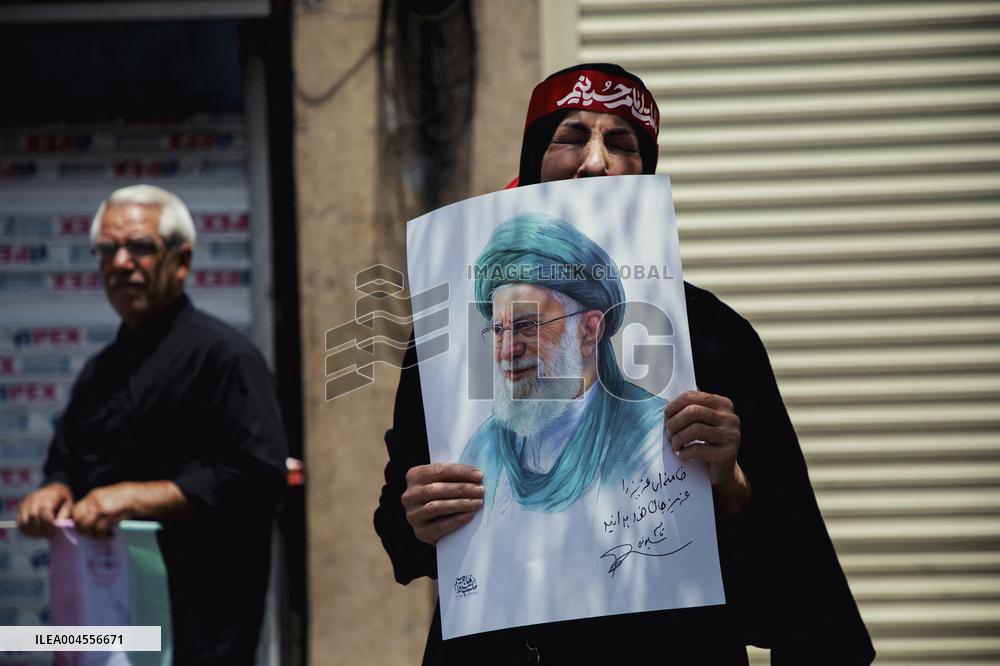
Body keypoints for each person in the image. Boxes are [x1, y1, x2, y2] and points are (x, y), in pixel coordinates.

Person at [376, 64, 875, 664]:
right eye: (569, 137)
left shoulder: (714, 336)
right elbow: (400, 533)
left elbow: (792, 558)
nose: (593, 163)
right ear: (535, 160)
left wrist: (730, 482)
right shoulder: (448, 337)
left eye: (620, 142)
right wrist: (420, 518)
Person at [16, 184, 288, 665]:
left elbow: (258, 475)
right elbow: (66, 465)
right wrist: (52, 493)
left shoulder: (226, 358)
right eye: (107, 249)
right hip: (105, 629)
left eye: (139, 247)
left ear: (181, 261)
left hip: (199, 633)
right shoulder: (99, 373)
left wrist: (138, 497)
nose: (121, 263)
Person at [463, 213, 665, 513]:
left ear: (588, 332)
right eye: (497, 330)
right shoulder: (483, 448)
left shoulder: (652, 436)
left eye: (527, 325)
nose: (508, 350)